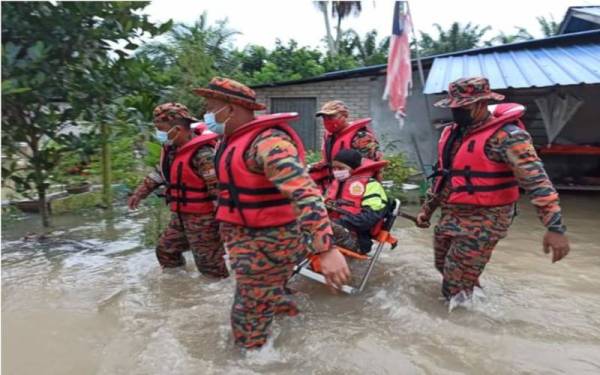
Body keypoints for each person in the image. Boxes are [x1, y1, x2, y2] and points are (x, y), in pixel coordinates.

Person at [193, 77, 350, 349]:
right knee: (265, 297)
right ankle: (288, 327)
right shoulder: (226, 141)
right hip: (246, 237)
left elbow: (304, 191)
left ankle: (253, 361)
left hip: (269, 240)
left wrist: (325, 248)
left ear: (230, 109)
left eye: (210, 107)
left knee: (247, 317)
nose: (205, 115)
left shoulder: (268, 143)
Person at [415, 77, 570, 304]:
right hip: (452, 215)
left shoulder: (507, 137)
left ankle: (462, 329)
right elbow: (444, 176)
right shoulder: (454, 133)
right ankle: (474, 300)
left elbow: (537, 182)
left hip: (486, 219)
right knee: (444, 266)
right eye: (454, 107)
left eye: (463, 107)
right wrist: (427, 210)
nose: (456, 111)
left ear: (481, 103)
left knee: (454, 283)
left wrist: (555, 227)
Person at [128, 102, 228, 278]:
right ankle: (178, 286)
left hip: (204, 219)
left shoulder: (203, 154)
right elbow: (160, 173)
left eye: (161, 129)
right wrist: (139, 193)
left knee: (210, 267)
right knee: (166, 250)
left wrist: (223, 222)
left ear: (178, 129)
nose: (159, 134)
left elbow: (217, 190)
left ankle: (215, 297)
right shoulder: (173, 150)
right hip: (181, 216)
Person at [324, 149, 389, 254]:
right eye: (334, 168)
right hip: (333, 231)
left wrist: (339, 223)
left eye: (340, 168)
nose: (336, 171)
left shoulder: (371, 185)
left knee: (318, 225)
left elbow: (370, 218)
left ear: (354, 168)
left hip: (357, 240)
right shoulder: (337, 184)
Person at [309, 100, 383, 191]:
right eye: (324, 118)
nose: (327, 121)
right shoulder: (328, 136)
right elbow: (327, 161)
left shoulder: (362, 137)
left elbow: (370, 167)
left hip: (358, 186)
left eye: (331, 116)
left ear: (345, 116)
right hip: (334, 184)